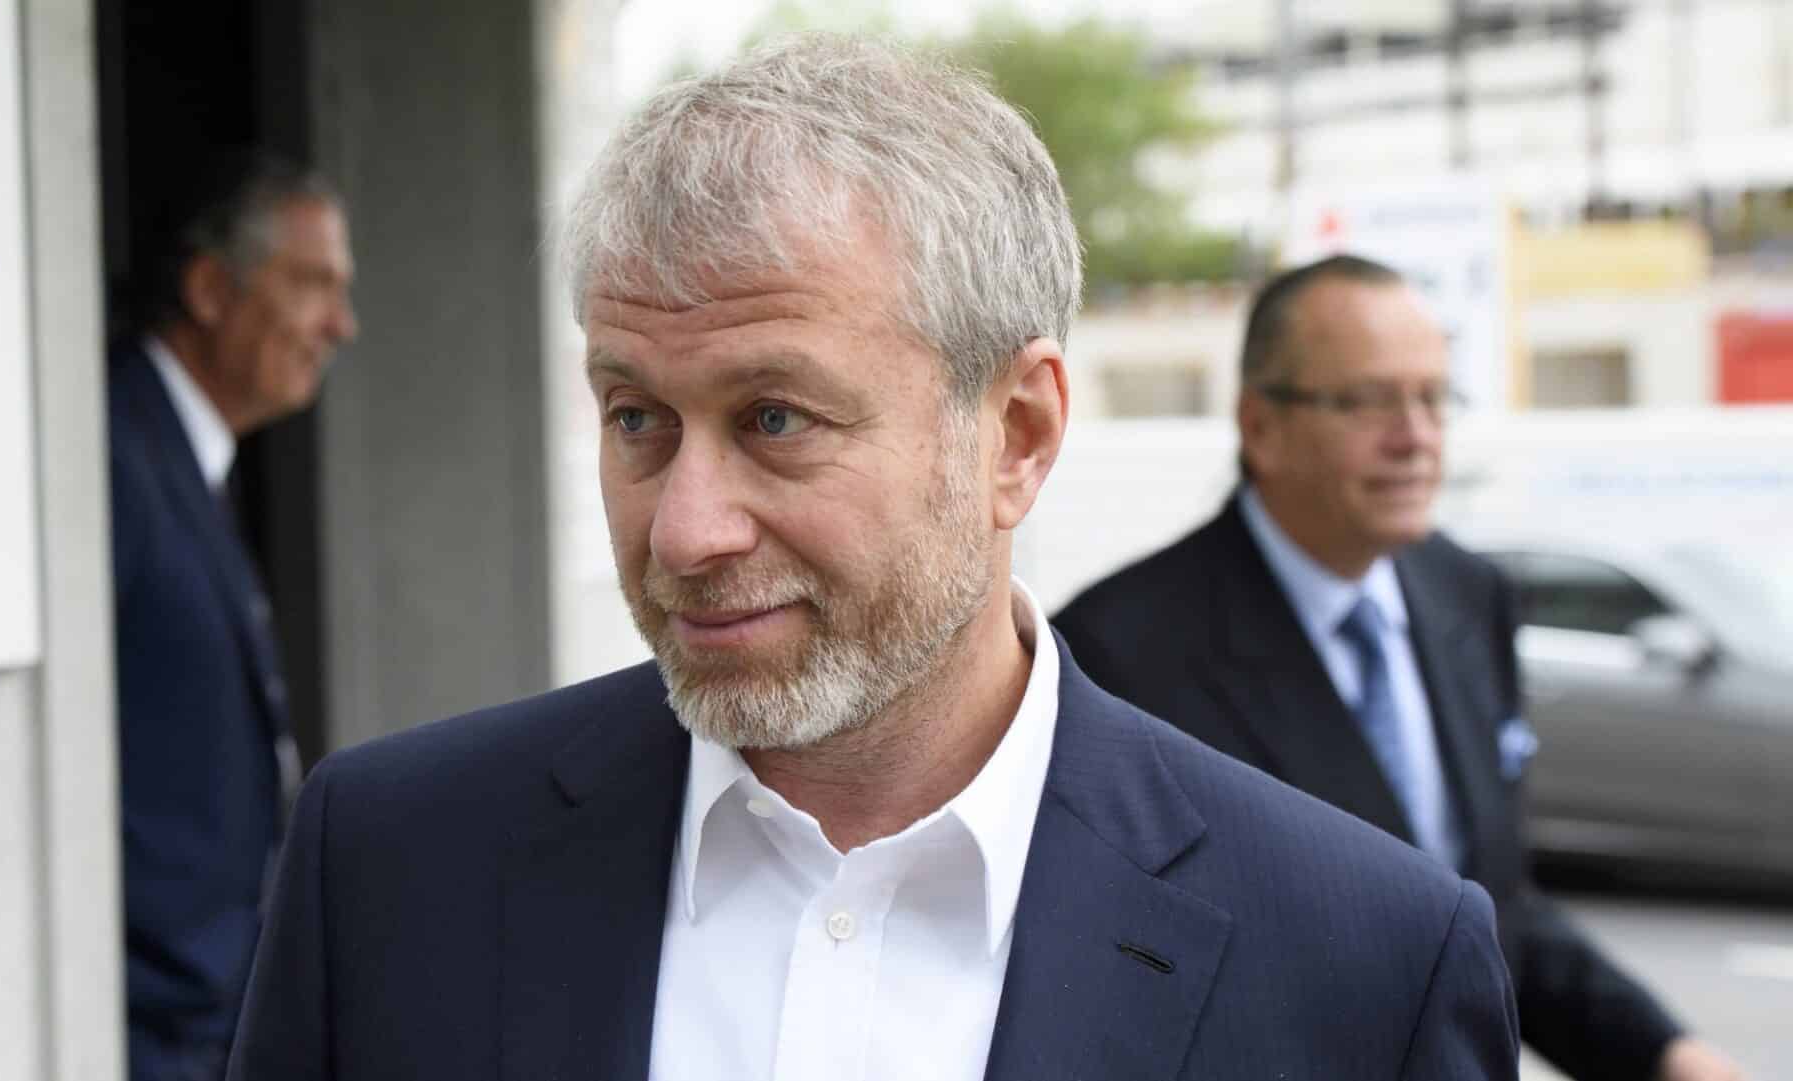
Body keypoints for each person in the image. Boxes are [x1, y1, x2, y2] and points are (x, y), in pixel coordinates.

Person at [226, 38, 1516, 1080]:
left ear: (1017, 434)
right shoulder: (391, 866)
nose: (684, 529)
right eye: (637, 419)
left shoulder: (1367, 964)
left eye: (777, 419)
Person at [1055, 254, 1744, 1081]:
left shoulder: (1468, 595)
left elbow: (1489, 904)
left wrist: (1666, 1052)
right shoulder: (1117, 651)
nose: (1416, 437)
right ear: (1261, 425)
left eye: (1432, 397)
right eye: (1370, 400)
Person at [109, 151, 358, 1081]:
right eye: (313, 285)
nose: (341, 324)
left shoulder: (181, 451)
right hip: (152, 1027)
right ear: (211, 288)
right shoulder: (113, 452)